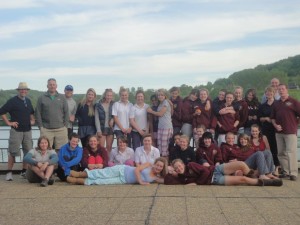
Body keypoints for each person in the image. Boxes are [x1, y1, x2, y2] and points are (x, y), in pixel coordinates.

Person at [0, 82, 35, 181]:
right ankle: (9, 172)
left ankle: (24, 171)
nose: (23, 91)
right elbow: (2, 111)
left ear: (27, 91)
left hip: (27, 130)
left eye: (25, 89)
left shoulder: (28, 101)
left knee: (28, 152)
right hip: (16, 131)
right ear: (18, 90)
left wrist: (32, 120)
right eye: (21, 89)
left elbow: (31, 113)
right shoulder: (12, 101)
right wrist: (8, 123)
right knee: (13, 152)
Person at [164, 159, 282, 187]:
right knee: (243, 181)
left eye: (179, 166)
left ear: (183, 164)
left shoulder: (191, 165)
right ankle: (268, 182)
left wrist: (197, 183)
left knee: (241, 164)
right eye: (176, 168)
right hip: (214, 180)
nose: (178, 168)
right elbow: (168, 181)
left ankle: (255, 174)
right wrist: (168, 172)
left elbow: (205, 171)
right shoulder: (180, 178)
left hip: (215, 170)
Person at [66, 157, 168, 185]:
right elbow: (137, 170)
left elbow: (166, 181)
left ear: (162, 169)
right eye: (158, 165)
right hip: (123, 170)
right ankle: (79, 174)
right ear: (155, 163)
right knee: (102, 173)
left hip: (123, 180)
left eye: (160, 167)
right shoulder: (148, 165)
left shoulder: (155, 178)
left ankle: (76, 181)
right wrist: (140, 181)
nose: (158, 167)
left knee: (102, 182)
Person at [271, 84, 300, 181]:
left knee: (290, 152)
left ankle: (293, 173)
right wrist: (275, 125)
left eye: (283, 89)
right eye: (279, 89)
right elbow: (272, 118)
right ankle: (285, 171)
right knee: (281, 153)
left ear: (287, 90)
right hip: (279, 132)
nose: (281, 91)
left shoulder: (294, 102)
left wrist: (295, 124)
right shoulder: (276, 103)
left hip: (290, 131)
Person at [35, 78, 69, 151]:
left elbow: (66, 112)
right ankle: (48, 163)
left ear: (56, 86)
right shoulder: (41, 98)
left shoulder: (62, 97)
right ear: (47, 86)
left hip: (61, 129)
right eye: (50, 84)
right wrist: (40, 127)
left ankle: (60, 163)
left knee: (61, 150)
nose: (52, 86)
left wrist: (65, 126)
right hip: (46, 129)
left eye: (53, 84)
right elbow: (37, 113)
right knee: (45, 150)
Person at [258, 86, 280, 173]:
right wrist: (266, 118)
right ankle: (268, 167)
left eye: (271, 92)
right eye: (267, 92)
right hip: (266, 129)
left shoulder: (278, 104)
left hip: (276, 129)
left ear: (274, 93)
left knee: (276, 148)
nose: (269, 94)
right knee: (267, 148)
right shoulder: (262, 106)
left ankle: (277, 167)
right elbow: (259, 118)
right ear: (265, 94)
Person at [147, 89, 173, 157]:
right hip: (160, 127)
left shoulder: (166, 102)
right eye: (159, 95)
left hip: (166, 127)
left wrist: (151, 111)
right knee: (160, 146)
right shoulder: (161, 103)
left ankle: (165, 164)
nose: (160, 96)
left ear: (165, 96)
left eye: (162, 95)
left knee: (164, 148)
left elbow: (160, 114)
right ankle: (161, 163)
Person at [95, 88, 114, 154]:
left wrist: (113, 119)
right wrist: (98, 130)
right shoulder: (98, 104)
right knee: (101, 147)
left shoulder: (113, 104)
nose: (109, 97)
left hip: (110, 128)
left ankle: (108, 162)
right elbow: (96, 118)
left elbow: (116, 115)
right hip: (102, 128)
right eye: (108, 95)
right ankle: (101, 163)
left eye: (111, 95)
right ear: (105, 95)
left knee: (109, 147)